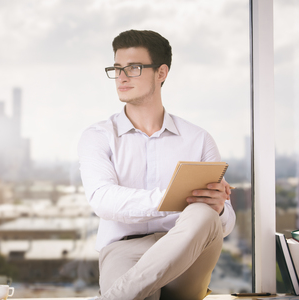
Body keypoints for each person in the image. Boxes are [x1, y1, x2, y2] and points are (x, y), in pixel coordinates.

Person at [78, 29, 236, 300]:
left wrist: (220, 208)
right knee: (133, 290)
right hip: (123, 251)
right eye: (117, 68)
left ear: (161, 73)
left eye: (134, 68)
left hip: (188, 253)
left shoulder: (198, 139)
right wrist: (172, 198)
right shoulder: (98, 136)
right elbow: (103, 200)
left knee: (204, 213)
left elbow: (225, 224)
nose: (122, 77)